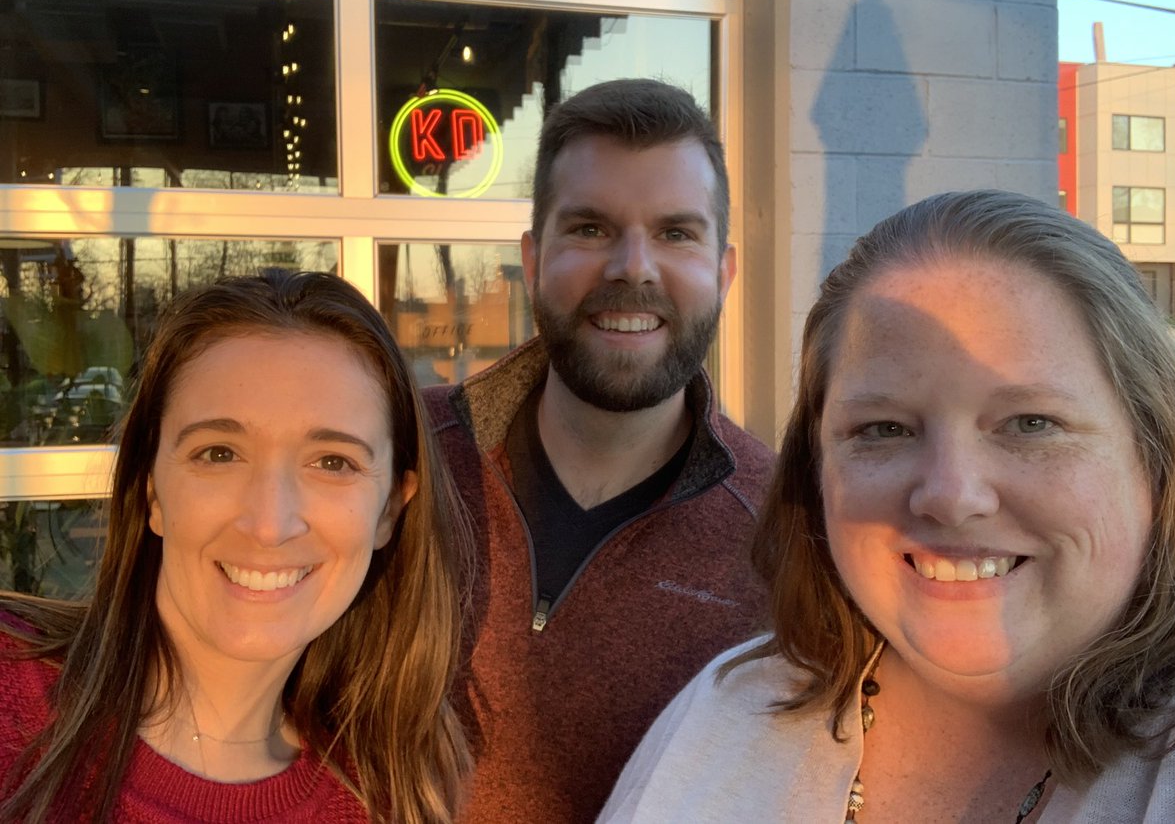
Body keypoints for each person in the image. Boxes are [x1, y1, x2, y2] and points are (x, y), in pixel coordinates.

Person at [600, 189, 1175, 822]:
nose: (949, 495)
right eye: (884, 429)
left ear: (1157, 460)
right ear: (816, 471)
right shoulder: (729, 715)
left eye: (1030, 422)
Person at [423, 78, 776, 822]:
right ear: (531, 256)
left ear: (725, 271)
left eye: (677, 233)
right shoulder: (403, 460)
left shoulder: (785, 536)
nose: (632, 268)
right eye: (590, 228)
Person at [0, 270, 471, 823]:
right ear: (152, 490)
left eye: (333, 463)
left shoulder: (387, 800)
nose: (269, 524)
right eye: (219, 453)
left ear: (390, 510)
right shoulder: (12, 691)